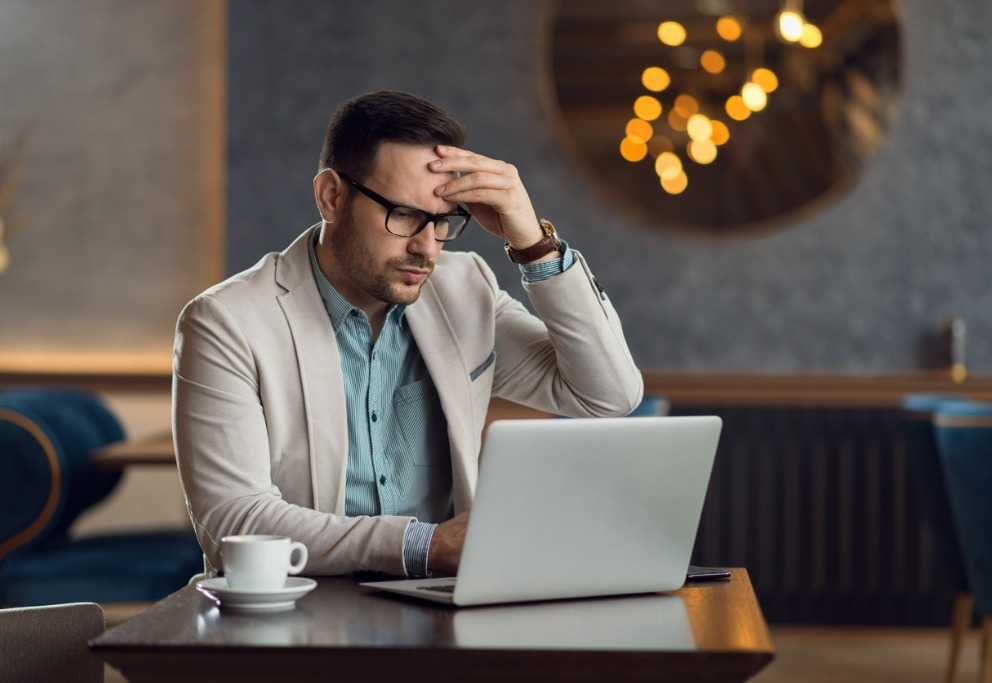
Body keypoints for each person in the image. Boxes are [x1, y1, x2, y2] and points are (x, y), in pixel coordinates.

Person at [173, 90, 643, 579]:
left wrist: (533, 244)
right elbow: (235, 523)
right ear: (331, 197)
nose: (427, 248)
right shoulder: (226, 322)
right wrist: (426, 544)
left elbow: (608, 395)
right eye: (404, 215)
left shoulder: (465, 289)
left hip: (447, 611)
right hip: (298, 614)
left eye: (442, 222)